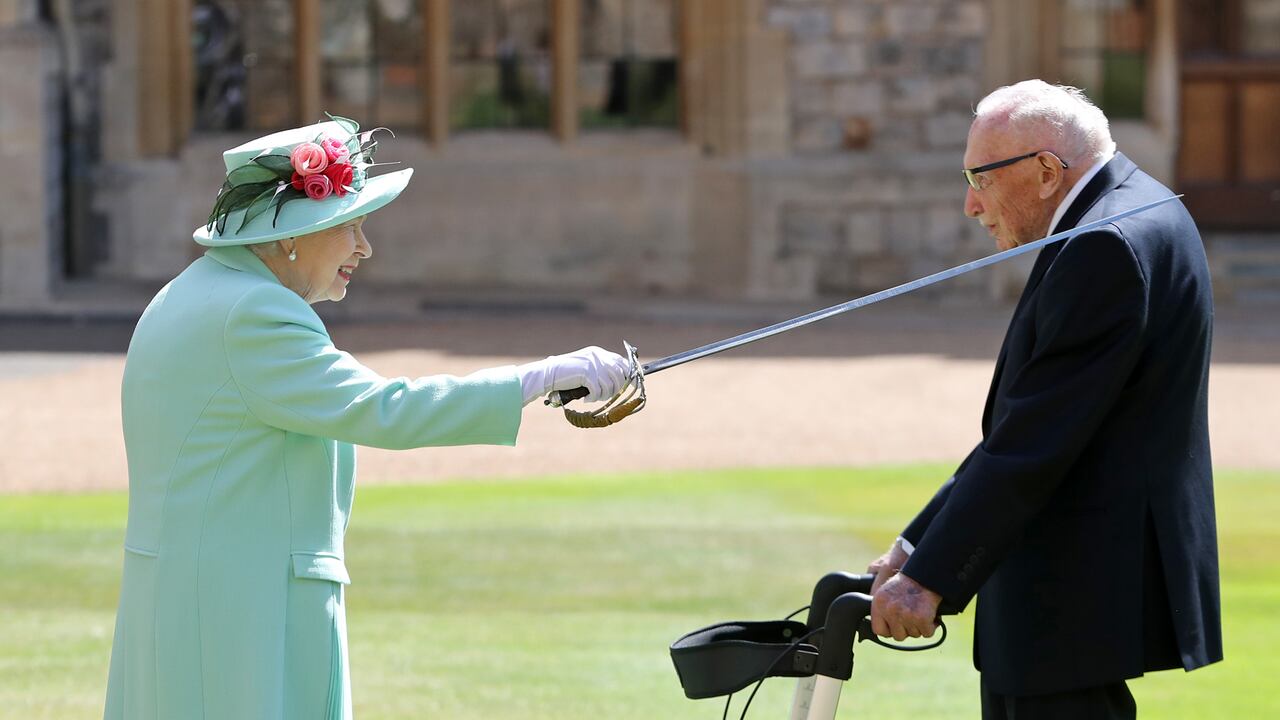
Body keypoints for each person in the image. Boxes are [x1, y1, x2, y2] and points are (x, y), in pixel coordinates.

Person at [102, 118, 631, 720]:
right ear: (289, 237)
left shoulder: (190, 291)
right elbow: (386, 410)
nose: (363, 246)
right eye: (347, 224)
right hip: (239, 616)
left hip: (192, 603)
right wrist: (539, 379)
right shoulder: (255, 312)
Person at [867, 80, 1222, 719]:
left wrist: (928, 580)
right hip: (1077, 583)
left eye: (981, 177)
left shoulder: (1103, 244)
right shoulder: (1132, 206)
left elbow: (1035, 441)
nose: (971, 204)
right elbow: (1031, 424)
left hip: (1073, 587)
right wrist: (915, 546)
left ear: (1047, 171)